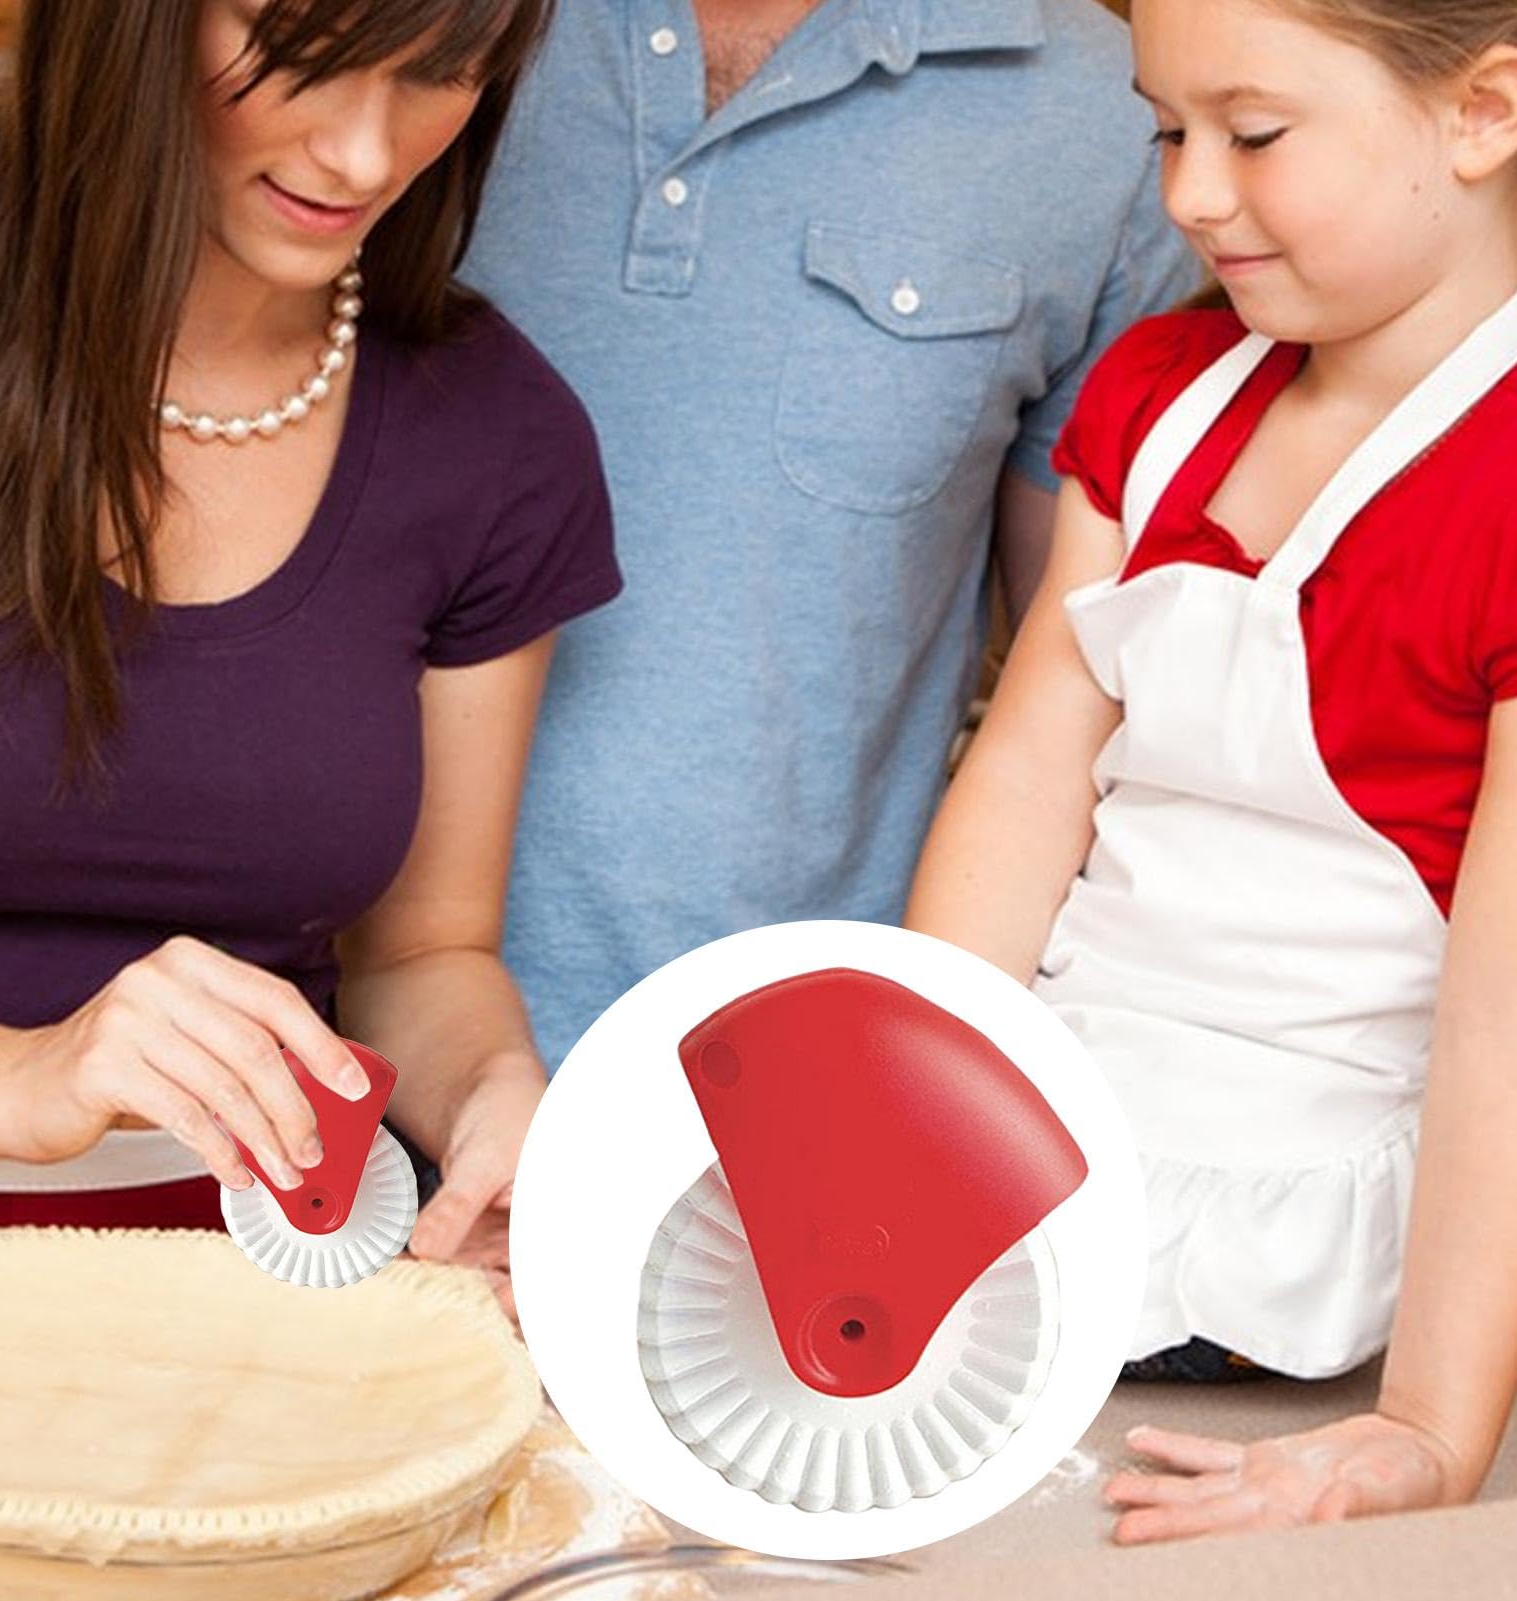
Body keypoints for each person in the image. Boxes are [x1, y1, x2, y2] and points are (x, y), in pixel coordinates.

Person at [907, 0, 1517, 1542]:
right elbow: (1025, 793)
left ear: (1484, 110)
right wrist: (891, 1140)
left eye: (1251, 134)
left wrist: (1431, 1429)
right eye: (1164, 128)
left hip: (1311, 1272)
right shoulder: (1159, 393)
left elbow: (1501, 1011)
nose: (1185, 192)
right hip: (1034, 1177)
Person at [0, 0, 620, 1299]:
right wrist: (2, 1075)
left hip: (267, 1297)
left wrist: (498, 1103)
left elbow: (420, 958)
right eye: (306, 51)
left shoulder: (496, 435)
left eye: (439, 73)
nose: (364, 155)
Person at [455, 0, 1200, 1068]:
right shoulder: (417, 30)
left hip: (803, 1092)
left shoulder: (1116, 108)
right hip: (332, 1062)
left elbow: (1075, 704)